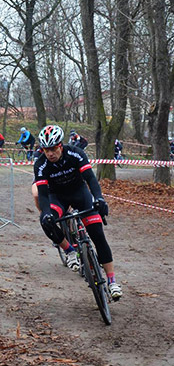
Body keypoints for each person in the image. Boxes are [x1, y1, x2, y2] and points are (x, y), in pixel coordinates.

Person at [33, 125, 122, 299]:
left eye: (53, 149)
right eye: (46, 150)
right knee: (46, 222)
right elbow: (43, 195)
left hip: (79, 193)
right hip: (57, 196)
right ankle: (69, 251)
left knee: (97, 235)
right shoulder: (41, 164)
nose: (50, 153)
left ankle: (112, 281)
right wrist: (46, 213)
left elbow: (90, 179)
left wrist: (99, 199)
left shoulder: (75, 153)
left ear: (60, 145)